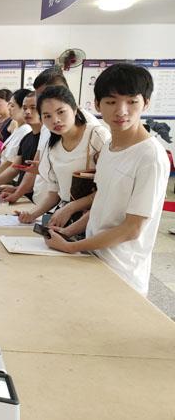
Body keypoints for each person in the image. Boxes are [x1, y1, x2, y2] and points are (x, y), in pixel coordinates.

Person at [46, 63, 170, 296]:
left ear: (146, 103)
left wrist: (72, 246)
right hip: (95, 259)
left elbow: (132, 229)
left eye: (132, 101)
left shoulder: (150, 157)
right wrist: (68, 232)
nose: (121, 111)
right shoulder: (109, 147)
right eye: (111, 102)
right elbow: (102, 203)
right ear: (97, 104)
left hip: (123, 275)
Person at [15, 86, 110, 224]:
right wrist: (31, 214)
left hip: (92, 219)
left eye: (61, 112)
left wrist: (71, 207)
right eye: (47, 116)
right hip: (66, 218)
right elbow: (54, 193)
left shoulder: (96, 136)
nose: (55, 120)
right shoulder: (52, 146)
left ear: (75, 110)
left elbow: (108, 189)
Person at [0, 92, 42, 201]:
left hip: (36, 198)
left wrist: (17, 192)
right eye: (25, 108)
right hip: (23, 195)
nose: (27, 112)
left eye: (33, 108)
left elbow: (33, 173)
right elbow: (15, 168)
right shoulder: (26, 137)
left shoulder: (46, 138)